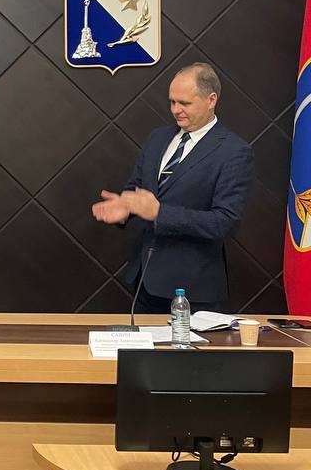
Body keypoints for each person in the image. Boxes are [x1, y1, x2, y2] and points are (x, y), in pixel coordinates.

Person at [91, 62, 253, 313]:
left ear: (211, 100)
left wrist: (160, 213)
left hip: (194, 290)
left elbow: (225, 222)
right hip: (144, 283)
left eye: (184, 103)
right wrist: (126, 207)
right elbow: (138, 187)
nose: (175, 110)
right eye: (172, 102)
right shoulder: (158, 138)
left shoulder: (234, 152)